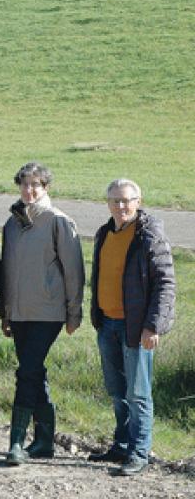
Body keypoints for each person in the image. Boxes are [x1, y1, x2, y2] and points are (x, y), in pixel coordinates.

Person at [88, 178, 175, 476]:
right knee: (117, 391)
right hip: (107, 323)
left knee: (139, 393)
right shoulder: (104, 233)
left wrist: (153, 327)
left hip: (136, 327)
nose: (121, 206)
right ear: (108, 203)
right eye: (115, 201)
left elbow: (165, 283)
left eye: (127, 200)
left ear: (139, 201)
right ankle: (122, 445)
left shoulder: (149, 236)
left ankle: (139, 452)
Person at [0, 162, 85, 465]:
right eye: (24, 184)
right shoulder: (11, 224)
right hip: (19, 313)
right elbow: (7, 271)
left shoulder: (58, 221)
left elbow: (74, 271)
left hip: (48, 312)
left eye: (35, 184)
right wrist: (5, 313)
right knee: (34, 372)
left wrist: (74, 313)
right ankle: (45, 441)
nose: (29, 190)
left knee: (26, 372)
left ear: (46, 187)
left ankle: (16, 443)